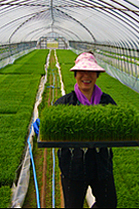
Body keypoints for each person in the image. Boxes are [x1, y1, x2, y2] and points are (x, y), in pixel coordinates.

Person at [54, 51, 118, 208]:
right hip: (73, 166)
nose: (86, 76)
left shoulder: (106, 102)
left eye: (91, 72)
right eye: (82, 72)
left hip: (101, 165)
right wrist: (43, 125)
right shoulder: (64, 103)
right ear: (75, 75)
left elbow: (118, 126)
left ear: (97, 75)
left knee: (109, 204)